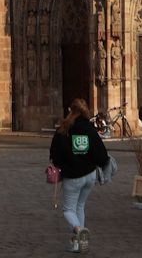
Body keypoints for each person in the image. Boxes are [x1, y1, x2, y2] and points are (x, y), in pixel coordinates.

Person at [49, 97, 111, 254]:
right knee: (80, 206)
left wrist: (61, 164)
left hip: (73, 176)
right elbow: (102, 154)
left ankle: (79, 230)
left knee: (68, 210)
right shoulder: (90, 129)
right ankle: (77, 244)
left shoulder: (63, 129)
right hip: (89, 175)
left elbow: (55, 155)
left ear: (70, 110)